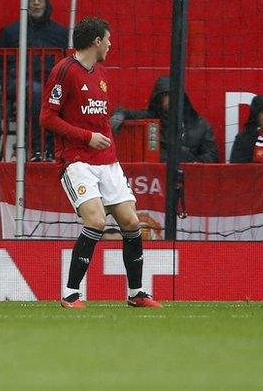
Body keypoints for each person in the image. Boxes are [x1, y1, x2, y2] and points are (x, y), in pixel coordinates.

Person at [41, 17, 162, 308]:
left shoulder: (101, 73)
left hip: (106, 160)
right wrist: (87, 137)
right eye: (107, 39)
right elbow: (46, 118)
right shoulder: (64, 71)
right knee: (95, 220)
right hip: (76, 159)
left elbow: (100, 119)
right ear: (96, 41)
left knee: (132, 222)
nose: (110, 44)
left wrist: (105, 142)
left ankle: (136, 293)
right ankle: (70, 294)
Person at [0, 0, 67, 160]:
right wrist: (10, 84)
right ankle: (37, 148)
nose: (35, 3)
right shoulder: (11, 32)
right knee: (36, 92)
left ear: (46, 3)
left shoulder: (61, 33)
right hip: (21, 85)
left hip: (54, 85)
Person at [110, 76, 219, 163]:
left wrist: (192, 161)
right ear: (158, 98)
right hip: (153, 182)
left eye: (175, 93)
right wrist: (119, 115)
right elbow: (125, 112)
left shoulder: (200, 125)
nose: (172, 99)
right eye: (166, 94)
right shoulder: (150, 118)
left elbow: (212, 156)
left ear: (182, 96)